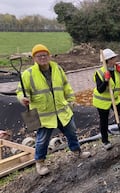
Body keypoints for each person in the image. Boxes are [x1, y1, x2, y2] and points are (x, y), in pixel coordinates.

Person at [16, 44, 91, 176]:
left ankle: (77, 151)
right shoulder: (28, 74)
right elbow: (20, 91)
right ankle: (40, 162)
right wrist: (22, 99)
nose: (43, 58)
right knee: (42, 140)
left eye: (45, 55)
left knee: (71, 132)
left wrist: (71, 99)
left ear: (49, 56)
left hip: (62, 110)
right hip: (43, 114)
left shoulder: (57, 68)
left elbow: (65, 85)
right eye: (39, 56)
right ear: (34, 58)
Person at [92, 48, 120, 150]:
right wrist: (106, 80)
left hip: (115, 99)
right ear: (107, 60)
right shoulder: (99, 72)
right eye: (113, 58)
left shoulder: (116, 70)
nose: (116, 59)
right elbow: (100, 89)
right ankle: (105, 141)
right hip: (102, 101)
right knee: (104, 121)